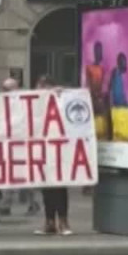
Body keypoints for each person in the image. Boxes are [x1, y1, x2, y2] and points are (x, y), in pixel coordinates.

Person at [33, 75, 73, 236]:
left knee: (60, 188)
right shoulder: (35, 104)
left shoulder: (61, 100)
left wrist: (63, 93)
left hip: (59, 150)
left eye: (44, 88)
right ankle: (49, 221)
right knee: (47, 189)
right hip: (43, 151)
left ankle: (63, 221)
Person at [0, 77, 39, 217]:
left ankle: (32, 203)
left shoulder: (23, 103)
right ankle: (6, 204)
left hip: (21, 144)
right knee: (7, 175)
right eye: (4, 88)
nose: (4, 91)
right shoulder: (1, 103)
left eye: (7, 89)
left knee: (24, 176)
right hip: (7, 143)